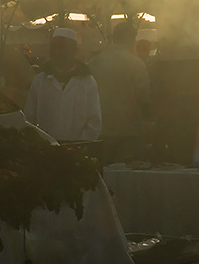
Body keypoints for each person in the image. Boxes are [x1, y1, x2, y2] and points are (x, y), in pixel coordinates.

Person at [24, 27, 102, 143]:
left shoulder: (87, 82)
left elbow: (94, 120)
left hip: (78, 148)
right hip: (45, 148)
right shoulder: (40, 81)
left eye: (63, 47)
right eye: (55, 47)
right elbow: (29, 118)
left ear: (74, 50)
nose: (58, 51)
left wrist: (79, 144)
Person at [89, 20, 151, 164]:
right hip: (129, 132)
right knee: (129, 177)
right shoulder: (136, 63)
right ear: (131, 39)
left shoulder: (94, 62)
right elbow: (144, 97)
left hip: (100, 131)